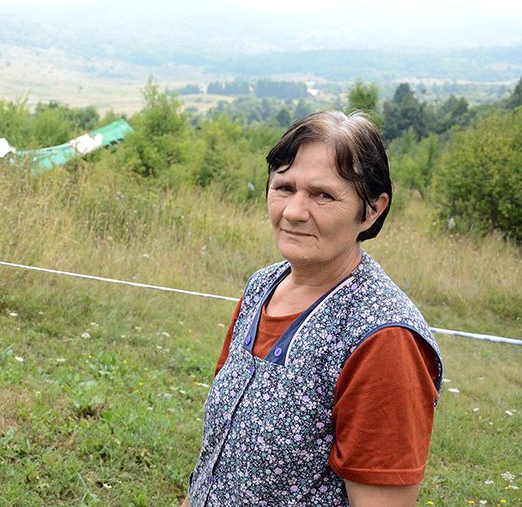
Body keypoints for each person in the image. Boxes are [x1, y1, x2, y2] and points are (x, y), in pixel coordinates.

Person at [181, 110, 442, 507]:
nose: (294, 212)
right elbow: (214, 456)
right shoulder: (261, 288)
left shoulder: (384, 339)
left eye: (323, 195)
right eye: (284, 187)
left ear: (371, 210)